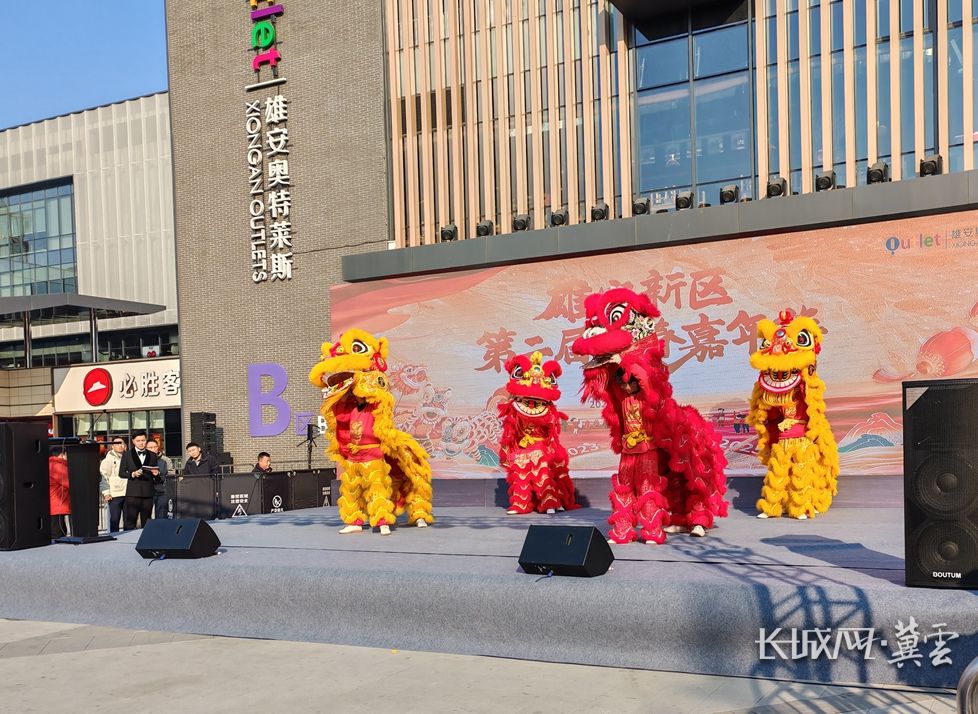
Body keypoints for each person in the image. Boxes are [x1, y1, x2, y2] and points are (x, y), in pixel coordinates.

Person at [119, 432, 160, 530]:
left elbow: (157, 476)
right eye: (138, 441)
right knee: (130, 521)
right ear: (133, 441)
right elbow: (121, 473)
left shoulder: (152, 455)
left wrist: (156, 474)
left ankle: (147, 539)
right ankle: (128, 538)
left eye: (143, 440)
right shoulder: (127, 455)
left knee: (147, 521)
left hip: (148, 492)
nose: (141, 443)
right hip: (133, 493)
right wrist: (132, 474)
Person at [99, 437, 128, 533]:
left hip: (128, 493)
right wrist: (106, 492)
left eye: (122, 443)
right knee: (115, 519)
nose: (120, 446)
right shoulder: (108, 460)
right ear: (112, 446)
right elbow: (103, 477)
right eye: (117, 443)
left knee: (128, 520)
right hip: (115, 494)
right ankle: (115, 536)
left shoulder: (128, 457)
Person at [146, 438, 173, 519]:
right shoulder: (142, 460)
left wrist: (157, 474)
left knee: (161, 515)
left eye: (155, 447)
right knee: (146, 516)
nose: (153, 449)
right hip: (146, 491)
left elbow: (165, 476)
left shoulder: (163, 461)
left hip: (160, 491)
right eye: (150, 447)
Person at [49, 446, 71, 539]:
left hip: (54, 503)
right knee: (58, 535)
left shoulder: (50, 464)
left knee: (59, 532)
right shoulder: (58, 466)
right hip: (57, 504)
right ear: (61, 455)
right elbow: (69, 482)